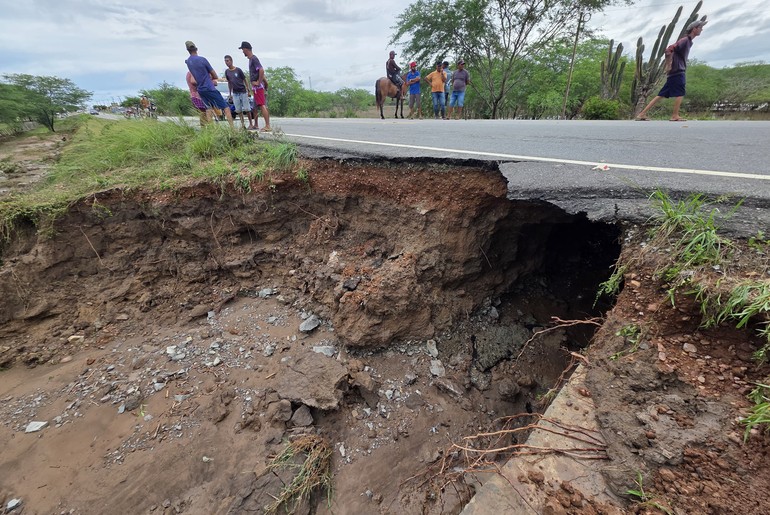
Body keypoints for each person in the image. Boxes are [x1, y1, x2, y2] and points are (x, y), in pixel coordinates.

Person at [636, 19, 707, 122]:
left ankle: (641, 114)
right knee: (680, 92)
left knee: (661, 94)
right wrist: (668, 64)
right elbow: (669, 49)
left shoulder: (689, 42)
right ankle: (675, 115)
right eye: (700, 28)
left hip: (675, 71)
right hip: (678, 70)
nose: (702, 30)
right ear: (694, 29)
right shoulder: (685, 40)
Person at [184, 40, 235, 128]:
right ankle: (232, 129)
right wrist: (210, 78)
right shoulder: (202, 60)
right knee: (225, 107)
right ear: (196, 49)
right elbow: (214, 75)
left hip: (200, 89)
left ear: (188, 50)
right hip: (209, 87)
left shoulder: (188, 62)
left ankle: (211, 130)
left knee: (208, 109)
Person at [239, 41, 271, 132]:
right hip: (255, 88)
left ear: (245, 49)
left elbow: (261, 70)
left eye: (242, 50)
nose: (242, 52)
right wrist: (264, 82)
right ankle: (256, 125)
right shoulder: (251, 60)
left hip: (258, 87)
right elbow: (259, 72)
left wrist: (258, 82)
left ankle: (267, 125)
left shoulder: (254, 59)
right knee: (255, 107)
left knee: (262, 105)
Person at [224, 54, 253, 129]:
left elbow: (244, 79)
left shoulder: (238, 70)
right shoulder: (227, 72)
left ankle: (251, 123)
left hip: (243, 91)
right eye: (225, 61)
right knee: (238, 110)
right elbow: (229, 82)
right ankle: (242, 124)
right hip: (235, 93)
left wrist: (248, 90)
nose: (226, 63)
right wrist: (230, 93)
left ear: (231, 61)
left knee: (247, 109)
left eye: (227, 61)